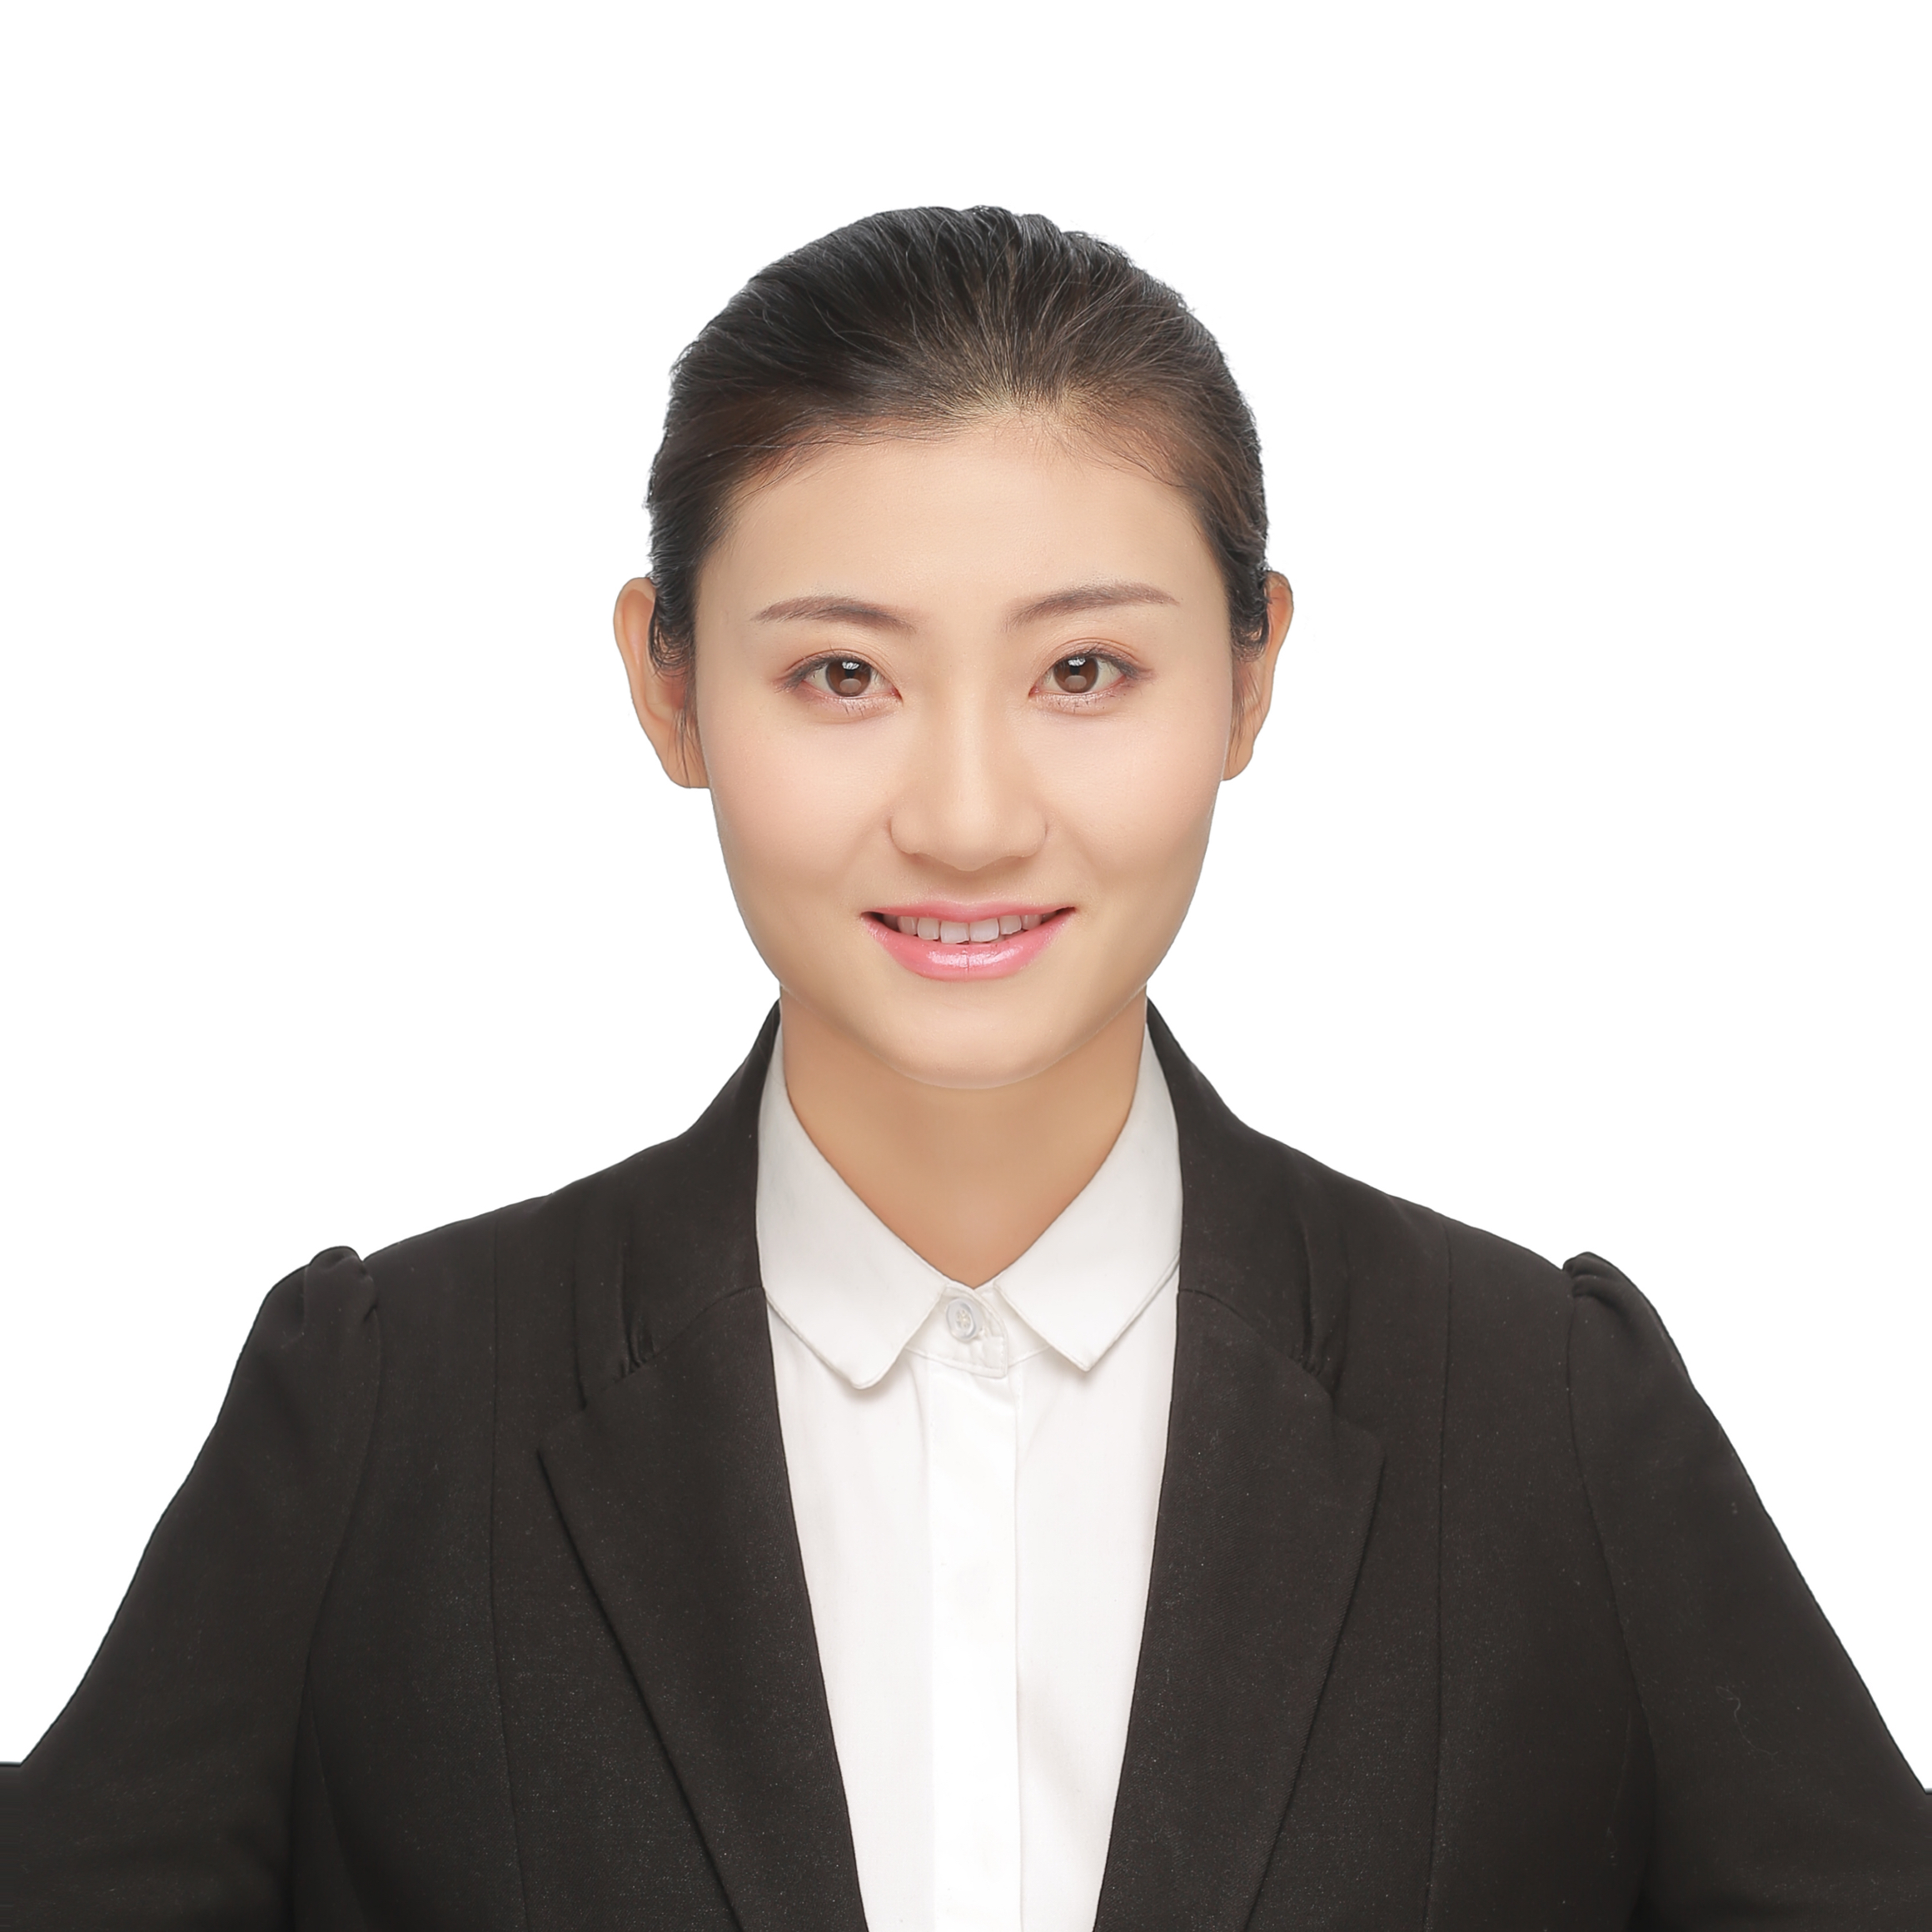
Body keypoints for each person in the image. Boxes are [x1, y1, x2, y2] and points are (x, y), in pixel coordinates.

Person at [11, 206, 1928, 1930]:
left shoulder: (1540, 1413)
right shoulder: (380, 1410)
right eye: (840, 674)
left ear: (1250, 672)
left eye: (1081, 670)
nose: (964, 814)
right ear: (667, 685)